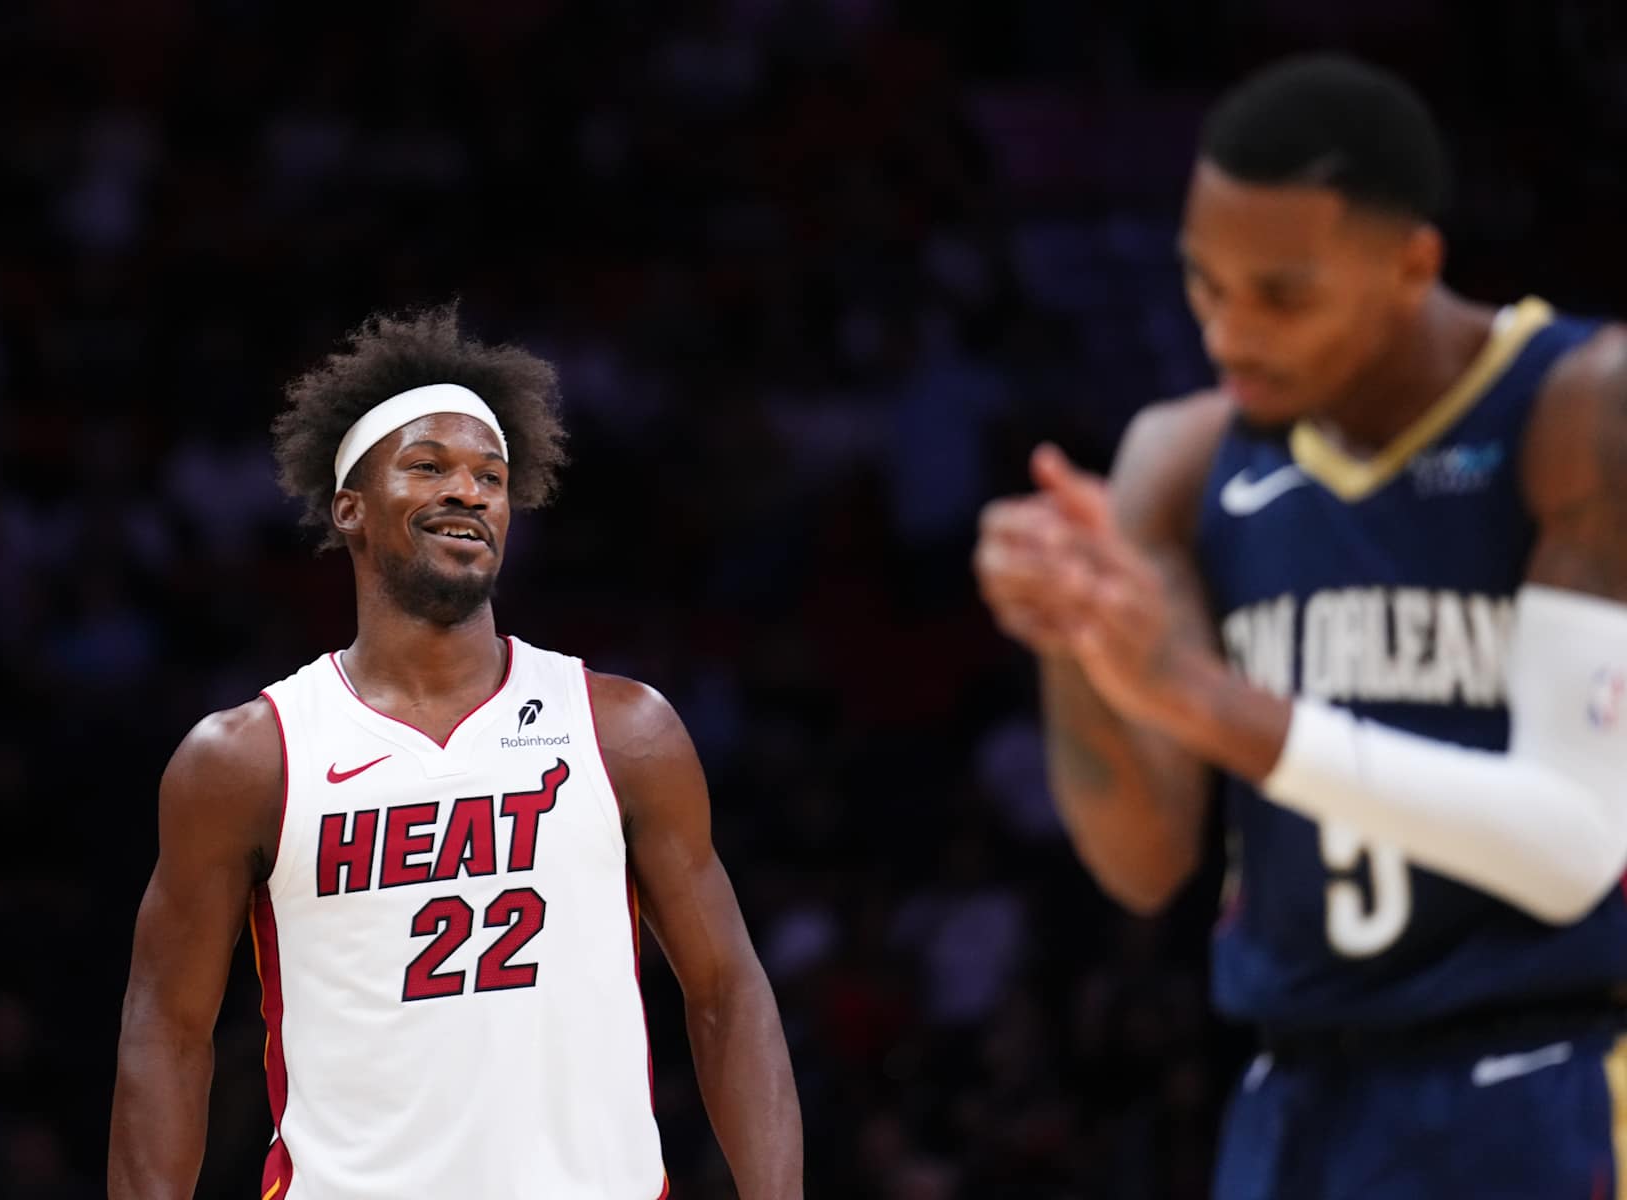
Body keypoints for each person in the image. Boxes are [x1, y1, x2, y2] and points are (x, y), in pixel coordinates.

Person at [975, 54, 1627, 1199]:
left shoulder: (1580, 402)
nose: (1229, 335)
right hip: (1294, 1100)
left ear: (1411, 265)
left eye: (1280, 295)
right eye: (1204, 287)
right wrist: (1070, 636)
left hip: (1552, 1069)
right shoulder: (1180, 460)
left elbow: (1576, 847)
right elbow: (1143, 864)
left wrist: (1207, 699)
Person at [109, 306, 804, 1199]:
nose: (468, 491)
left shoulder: (624, 729)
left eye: (490, 476)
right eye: (429, 467)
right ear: (350, 508)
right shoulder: (249, 758)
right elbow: (165, 1033)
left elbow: (727, 993)